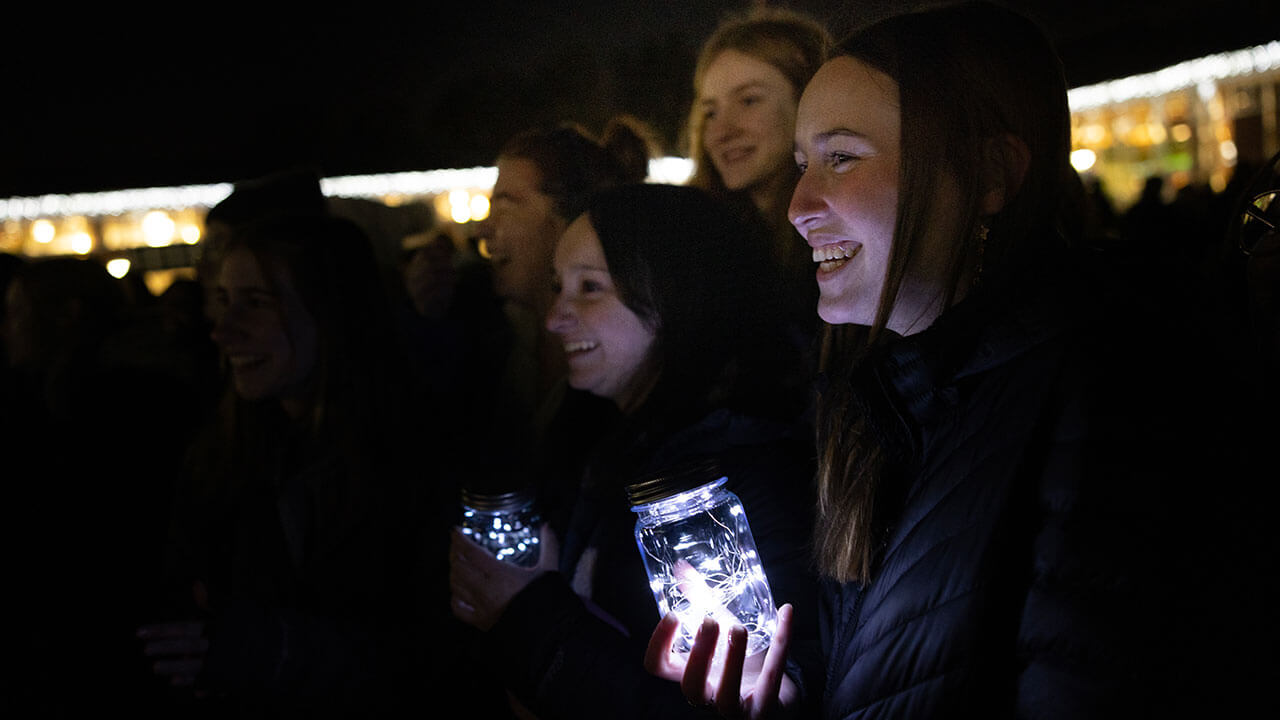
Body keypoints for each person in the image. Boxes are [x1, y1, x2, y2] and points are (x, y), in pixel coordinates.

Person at [645, 3, 1261, 717]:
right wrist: (786, 697)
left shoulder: (1116, 395)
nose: (799, 204)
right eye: (802, 164)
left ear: (989, 173)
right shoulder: (878, 405)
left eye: (842, 157)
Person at [448, 183, 824, 719]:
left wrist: (524, 614)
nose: (555, 316)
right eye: (558, 286)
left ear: (676, 293)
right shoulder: (611, 443)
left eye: (590, 288)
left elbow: (698, 706)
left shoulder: (739, 480)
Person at [136, 211, 427, 716]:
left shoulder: (418, 456)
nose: (224, 331)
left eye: (256, 303)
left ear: (329, 311)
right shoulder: (218, 455)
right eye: (224, 301)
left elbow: (434, 654)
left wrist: (277, 649)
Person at [686, 5, 831, 338]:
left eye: (749, 101)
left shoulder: (846, 241)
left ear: (810, 100)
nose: (721, 131)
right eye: (710, 112)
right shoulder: (696, 242)